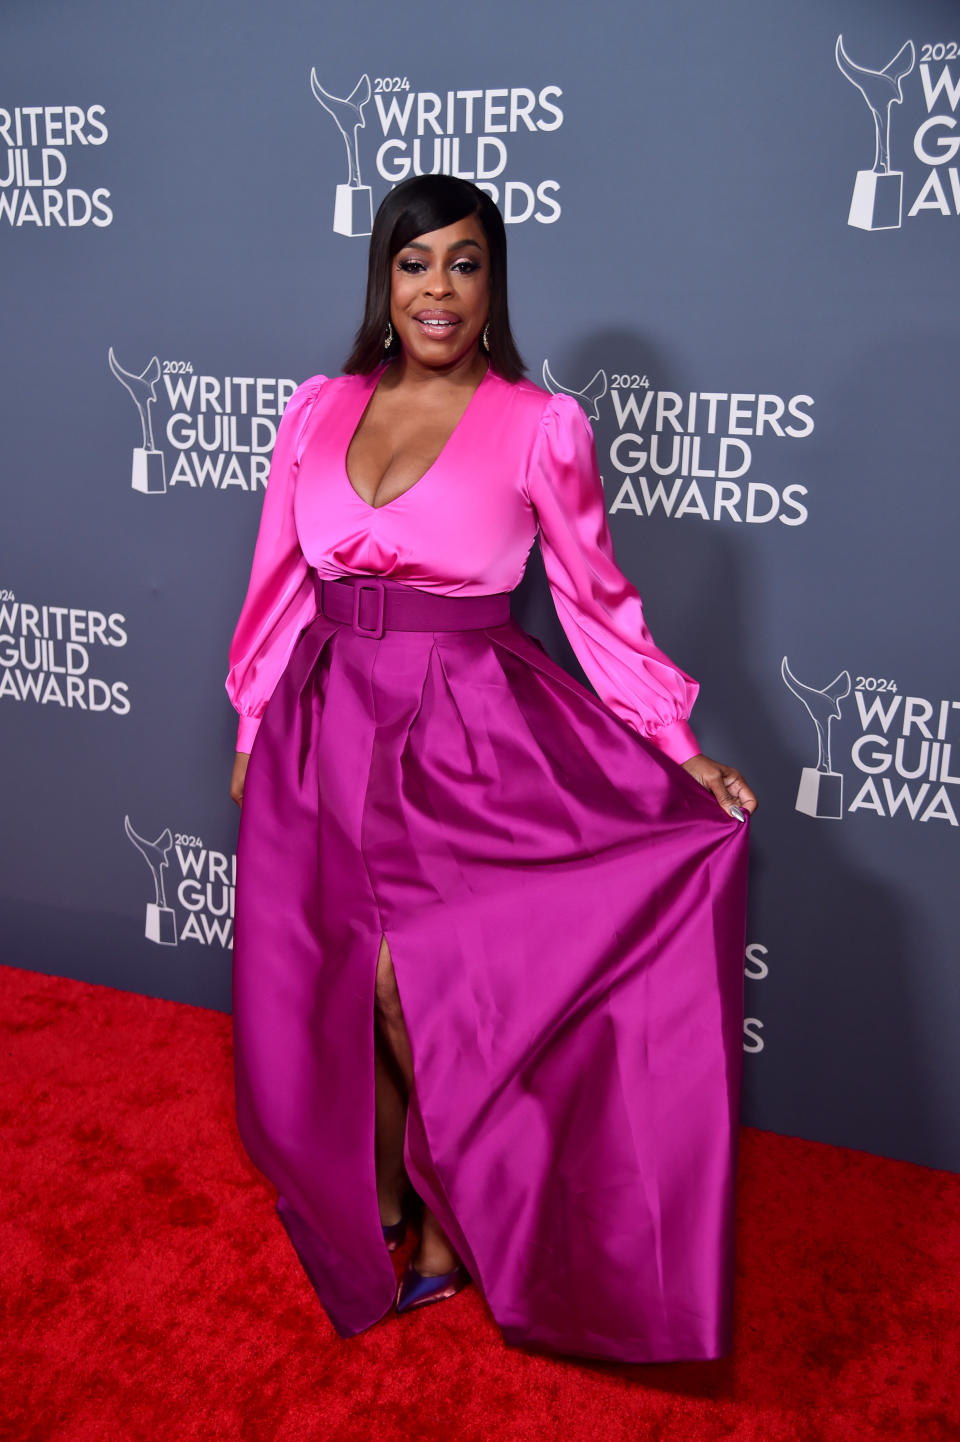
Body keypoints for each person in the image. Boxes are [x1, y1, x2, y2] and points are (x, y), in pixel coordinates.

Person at [225, 174, 755, 1364]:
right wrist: (254, 723)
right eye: (417, 265)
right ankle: (395, 1206)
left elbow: (595, 604)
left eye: (466, 265)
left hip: (462, 729)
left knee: (419, 985)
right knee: (338, 981)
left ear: (492, 281)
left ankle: (464, 1222)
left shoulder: (535, 424)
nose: (439, 291)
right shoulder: (318, 409)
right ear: (385, 277)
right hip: (320, 717)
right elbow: (276, 584)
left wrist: (679, 742)